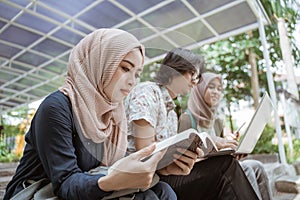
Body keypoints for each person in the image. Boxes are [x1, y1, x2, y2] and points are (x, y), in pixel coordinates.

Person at [4, 29, 177, 200]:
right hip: (37, 192)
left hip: (83, 185)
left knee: (163, 190)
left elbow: (112, 168)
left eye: (137, 74)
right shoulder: (56, 108)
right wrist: (109, 182)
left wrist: (162, 167)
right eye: (125, 68)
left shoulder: (112, 116)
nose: (132, 81)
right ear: (99, 62)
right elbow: (65, 183)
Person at [125, 48, 259, 200]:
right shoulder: (147, 92)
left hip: (165, 175)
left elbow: (174, 157)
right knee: (225, 166)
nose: (195, 82)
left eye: (197, 77)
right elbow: (145, 152)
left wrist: (214, 149)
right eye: (192, 74)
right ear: (175, 70)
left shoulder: (171, 112)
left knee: (230, 164)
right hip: (149, 180)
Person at [178, 72, 273, 200]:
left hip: (220, 168)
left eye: (219, 89)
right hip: (196, 174)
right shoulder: (187, 119)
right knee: (247, 170)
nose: (216, 92)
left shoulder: (217, 122)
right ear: (199, 90)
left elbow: (222, 156)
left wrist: (232, 151)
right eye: (211, 87)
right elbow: (181, 159)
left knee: (257, 166)